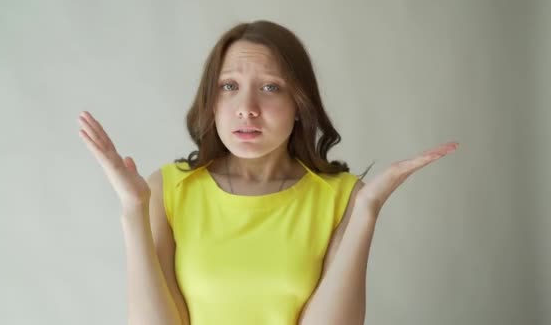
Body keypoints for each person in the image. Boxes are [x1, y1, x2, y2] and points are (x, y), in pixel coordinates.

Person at [77, 20, 458, 325]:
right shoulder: (170, 189)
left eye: (271, 87)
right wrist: (133, 210)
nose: (247, 107)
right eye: (229, 86)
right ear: (211, 103)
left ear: (300, 103)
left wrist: (368, 209)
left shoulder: (342, 196)